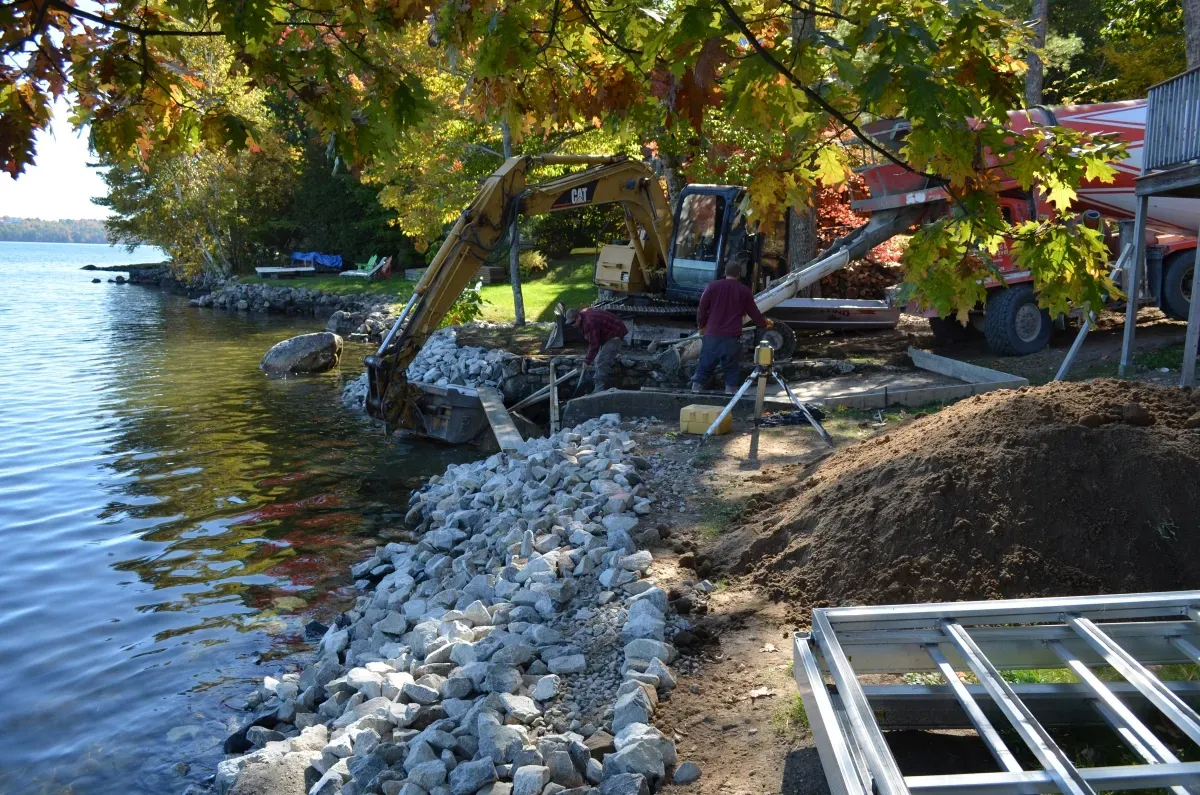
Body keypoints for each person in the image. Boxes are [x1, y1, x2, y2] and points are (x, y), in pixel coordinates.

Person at [693, 258, 773, 393]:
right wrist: (764, 323)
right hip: (732, 338)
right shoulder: (744, 291)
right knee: (731, 371)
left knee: (704, 368)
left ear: (725, 272)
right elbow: (754, 313)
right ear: (739, 274)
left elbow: (701, 309)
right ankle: (730, 398)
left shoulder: (712, 286)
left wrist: (701, 326)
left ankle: (694, 393)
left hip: (712, 336)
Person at [566, 306, 627, 393]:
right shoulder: (584, 315)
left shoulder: (589, 322)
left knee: (600, 361)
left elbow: (594, 344)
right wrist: (588, 359)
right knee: (599, 359)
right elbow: (593, 341)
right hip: (608, 334)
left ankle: (598, 391)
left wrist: (587, 361)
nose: (572, 325)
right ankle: (610, 358)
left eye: (573, 322)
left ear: (578, 317)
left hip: (616, 334)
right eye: (570, 323)